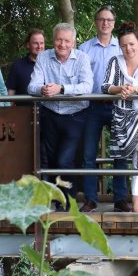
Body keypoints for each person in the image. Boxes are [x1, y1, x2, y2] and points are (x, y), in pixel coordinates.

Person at [28, 23, 93, 211]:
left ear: (73, 42)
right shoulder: (43, 57)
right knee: (50, 160)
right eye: (58, 39)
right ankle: (54, 200)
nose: (62, 44)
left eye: (66, 40)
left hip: (75, 116)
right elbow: (31, 86)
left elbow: (87, 86)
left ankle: (68, 201)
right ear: (53, 40)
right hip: (50, 114)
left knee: (65, 160)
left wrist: (61, 89)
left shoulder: (82, 58)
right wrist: (42, 89)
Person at [102, 22, 138, 213]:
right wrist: (121, 89)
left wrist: (134, 89)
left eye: (131, 44)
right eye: (124, 45)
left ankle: (136, 207)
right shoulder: (114, 61)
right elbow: (106, 86)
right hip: (122, 118)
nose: (128, 49)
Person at [78, 6, 131, 213]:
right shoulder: (84, 49)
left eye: (109, 20)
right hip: (92, 106)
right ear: (95, 21)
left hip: (118, 105)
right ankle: (91, 198)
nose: (105, 23)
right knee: (88, 155)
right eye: (101, 19)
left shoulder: (123, 47)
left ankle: (120, 198)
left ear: (114, 23)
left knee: (120, 153)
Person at [6, 28, 45, 106]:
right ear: (28, 45)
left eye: (41, 43)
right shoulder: (17, 66)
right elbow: (10, 94)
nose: (39, 46)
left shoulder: (52, 65)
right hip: (23, 114)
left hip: (49, 115)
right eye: (35, 43)